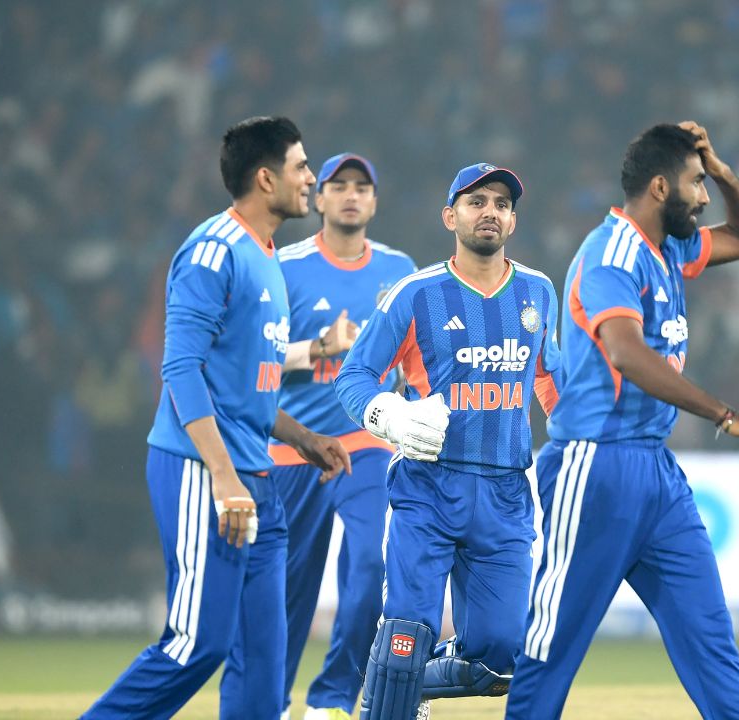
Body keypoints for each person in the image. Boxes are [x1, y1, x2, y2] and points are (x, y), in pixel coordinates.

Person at [504, 122, 739, 720]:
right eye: (695, 183)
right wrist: (726, 415)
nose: (705, 195)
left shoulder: (672, 248)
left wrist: (717, 165)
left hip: (656, 473)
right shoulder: (611, 254)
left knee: (709, 639)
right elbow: (626, 353)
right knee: (551, 646)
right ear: (660, 188)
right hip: (595, 463)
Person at [82, 116, 352, 720]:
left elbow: (245, 388)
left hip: (257, 479)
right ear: (265, 177)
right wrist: (223, 478)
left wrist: (303, 437)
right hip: (203, 474)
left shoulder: (265, 256)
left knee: (263, 660)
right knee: (195, 646)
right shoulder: (212, 251)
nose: (313, 177)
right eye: (302, 166)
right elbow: (181, 372)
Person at [335, 163, 562, 719]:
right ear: (449, 216)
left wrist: (579, 442)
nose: (491, 211)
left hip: (507, 495)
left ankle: (397, 684)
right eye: (476, 201)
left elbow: (551, 382)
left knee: (501, 660)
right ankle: (394, 686)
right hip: (428, 489)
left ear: (512, 219)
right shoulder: (416, 294)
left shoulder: (538, 291)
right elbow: (354, 375)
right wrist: (385, 412)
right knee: (409, 630)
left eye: (503, 203)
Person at [270, 152, 416, 720]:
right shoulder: (284, 267)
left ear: (374, 202)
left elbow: (416, 355)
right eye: (339, 186)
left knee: (372, 567)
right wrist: (318, 350)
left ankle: (330, 700)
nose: (351, 195)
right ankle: (270, 701)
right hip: (293, 446)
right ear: (320, 199)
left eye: (362, 187)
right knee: (286, 588)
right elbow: (248, 362)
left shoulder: (400, 270)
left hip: (366, 443)